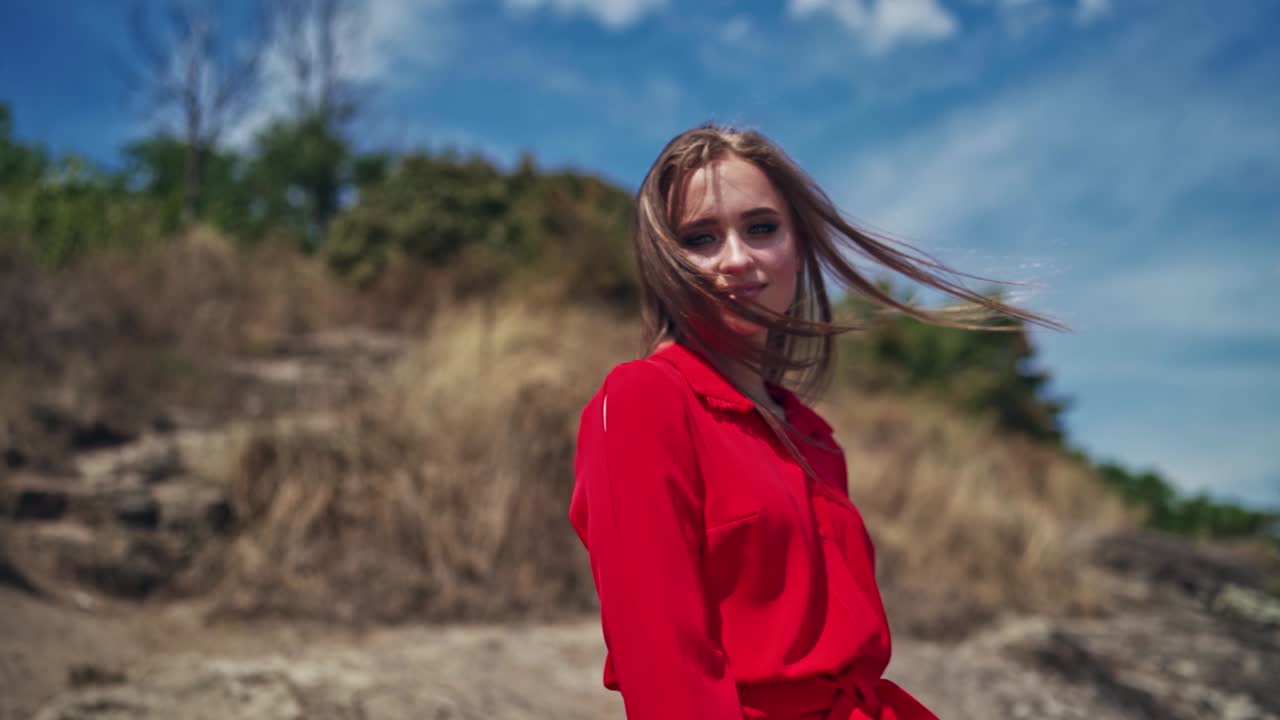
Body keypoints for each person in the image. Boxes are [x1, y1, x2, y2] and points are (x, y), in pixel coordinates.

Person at [568, 124, 1058, 719]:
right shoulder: (645, 400)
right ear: (665, 262)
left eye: (761, 227)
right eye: (700, 238)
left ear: (797, 242)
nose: (737, 259)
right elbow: (665, 673)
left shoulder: (811, 434)